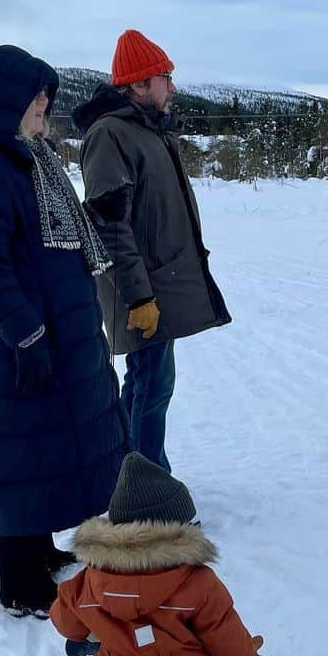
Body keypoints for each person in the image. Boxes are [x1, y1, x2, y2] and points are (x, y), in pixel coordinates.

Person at [0, 44, 128, 618]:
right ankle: (20, 584)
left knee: (47, 446)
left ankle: (39, 549)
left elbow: (55, 240)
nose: (45, 103)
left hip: (54, 331)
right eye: (35, 95)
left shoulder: (32, 158)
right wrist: (25, 335)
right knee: (18, 449)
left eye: (47, 92)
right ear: (2, 103)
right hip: (13, 341)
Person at [16, 452, 275, 656]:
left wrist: (93, 626)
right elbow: (228, 638)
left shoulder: (95, 579)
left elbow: (67, 624)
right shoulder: (200, 583)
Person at [75, 29, 231, 475]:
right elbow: (110, 225)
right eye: (165, 77)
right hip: (142, 290)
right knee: (150, 386)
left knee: (148, 384)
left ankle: (126, 472)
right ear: (140, 84)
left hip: (158, 284)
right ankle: (146, 486)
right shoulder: (111, 135)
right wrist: (139, 297)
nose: (173, 87)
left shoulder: (148, 131)